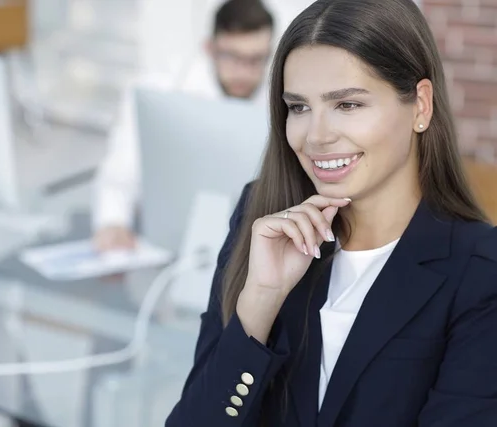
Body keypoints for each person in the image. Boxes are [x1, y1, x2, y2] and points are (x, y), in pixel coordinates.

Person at [166, 0, 497, 426]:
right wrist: (261, 300)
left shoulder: (480, 274)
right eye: (299, 107)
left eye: (348, 105)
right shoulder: (263, 220)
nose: (316, 136)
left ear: (420, 105)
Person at [92, 0, 275, 251]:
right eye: (232, 57)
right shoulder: (163, 89)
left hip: (251, 249)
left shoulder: (279, 102)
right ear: (209, 48)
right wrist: (112, 222)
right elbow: (122, 168)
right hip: (167, 248)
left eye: (256, 60)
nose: (244, 72)